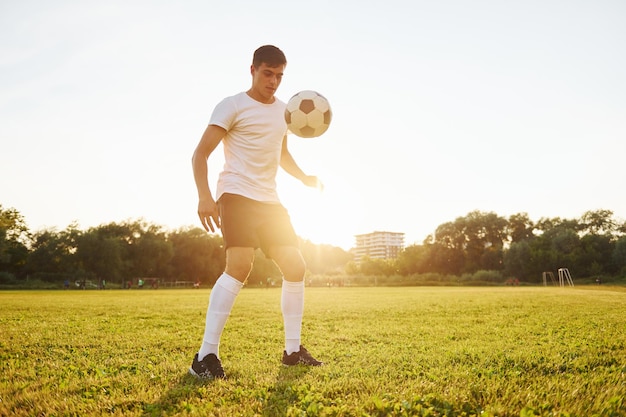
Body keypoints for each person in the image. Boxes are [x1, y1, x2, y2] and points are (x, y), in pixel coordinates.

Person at [189, 45, 323, 380]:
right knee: (239, 265)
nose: (274, 81)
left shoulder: (285, 113)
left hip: (269, 200)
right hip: (235, 194)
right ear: (252, 69)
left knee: (295, 266)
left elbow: (281, 154)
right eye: (268, 73)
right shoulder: (232, 105)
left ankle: (293, 352)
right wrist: (205, 196)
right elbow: (200, 154)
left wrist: (304, 177)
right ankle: (205, 355)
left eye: (280, 76)